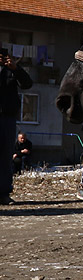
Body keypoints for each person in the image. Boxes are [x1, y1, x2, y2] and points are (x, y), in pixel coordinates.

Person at [1, 49, 32, 205]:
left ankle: (4, 193)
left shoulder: (11, 70)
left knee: (6, 156)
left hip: (7, 116)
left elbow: (27, 83)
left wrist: (15, 69)